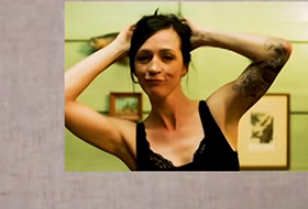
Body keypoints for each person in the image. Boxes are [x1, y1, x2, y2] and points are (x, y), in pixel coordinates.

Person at [65, 11, 292, 171]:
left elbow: (279, 51)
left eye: (167, 57)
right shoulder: (129, 139)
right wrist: (118, 47)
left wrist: (206, 36)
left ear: (184, 67)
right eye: (143, 58)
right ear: (134, 70)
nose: (154, 67)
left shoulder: (219, 113)